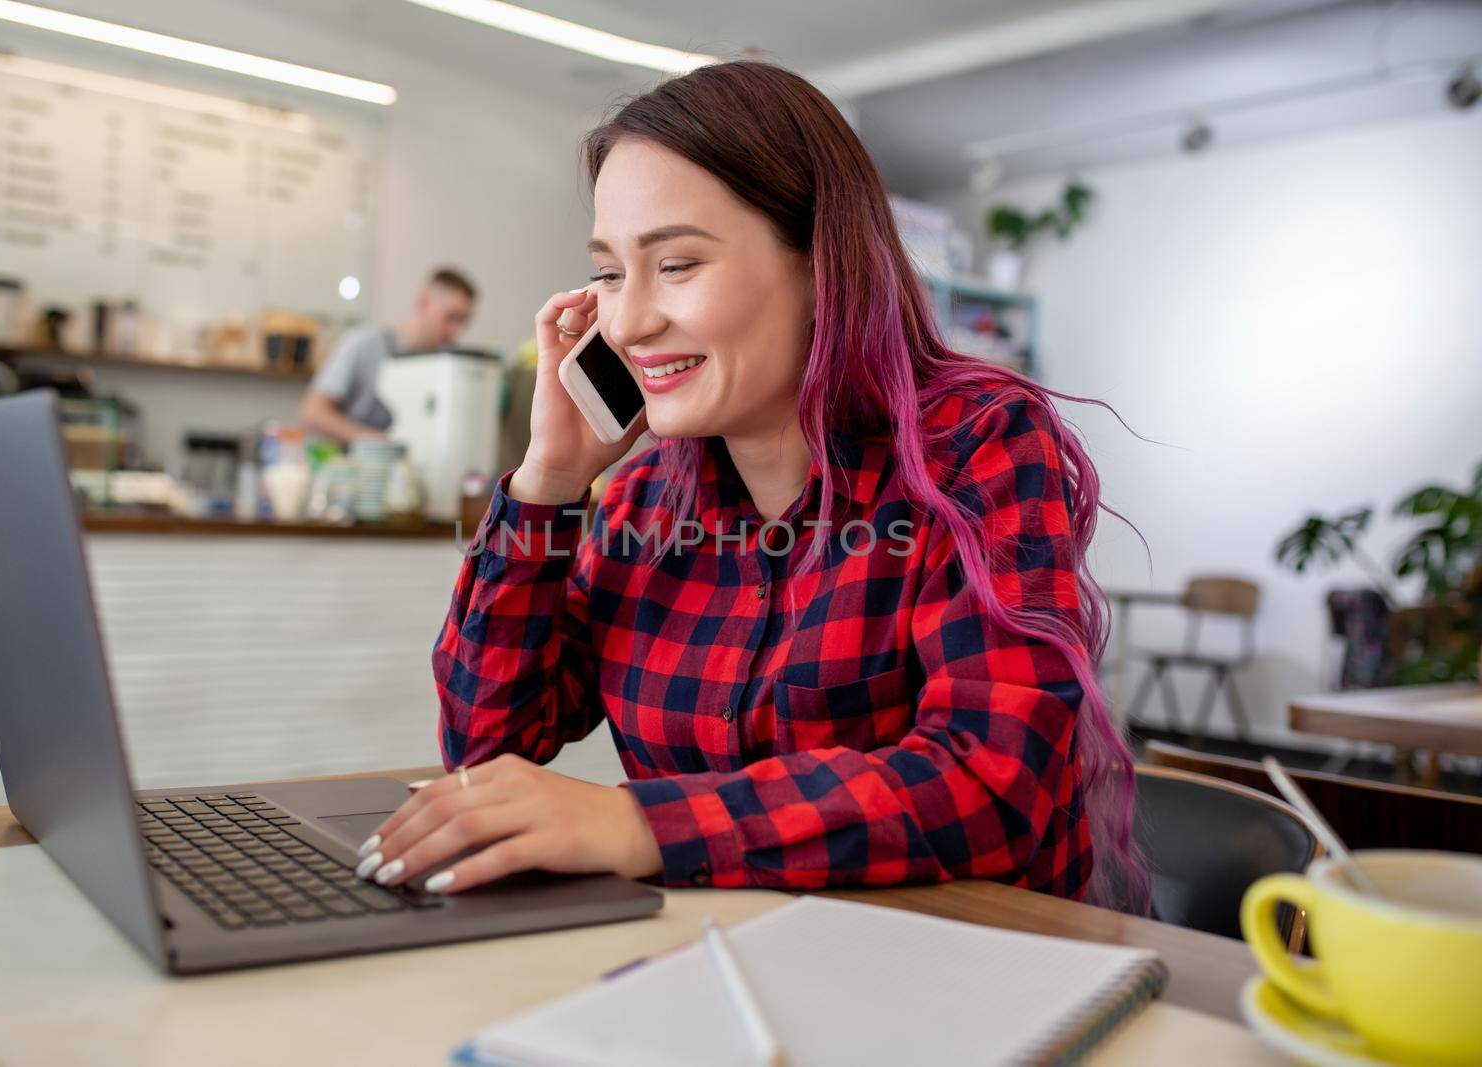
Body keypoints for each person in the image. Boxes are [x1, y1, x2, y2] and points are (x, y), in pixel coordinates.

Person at [357, 61, 1148, 911]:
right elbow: (487, 741)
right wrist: (548, 481)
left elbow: (990, 784)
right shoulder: (643, 498)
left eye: (678, 264)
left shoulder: (977, 444)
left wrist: (640, 826)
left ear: (821, 263)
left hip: (969, 973)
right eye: (612, 273)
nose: (625, 322)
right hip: (728, 970)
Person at [300, 267, 477, 445]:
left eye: (464, 321)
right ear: (424, 303)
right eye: (451, 317)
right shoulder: (363, 344)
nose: (457, 331)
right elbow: (313, 413)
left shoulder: (447, 362)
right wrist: (379, 442)